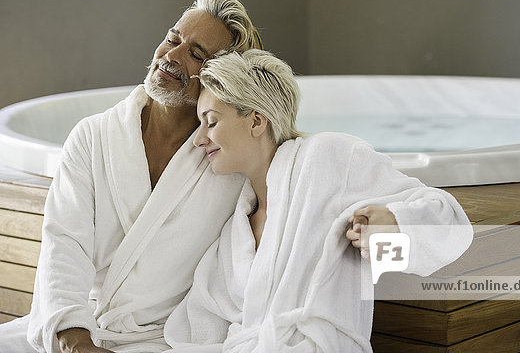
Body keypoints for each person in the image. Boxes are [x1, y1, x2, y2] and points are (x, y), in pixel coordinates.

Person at [0, 0, 263, 353]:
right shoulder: (93, 137)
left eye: (195, 55)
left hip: (161, 339)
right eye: (172, 39)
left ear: (220, 78)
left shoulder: (228, 164)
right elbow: (64, 245)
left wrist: (372, 222)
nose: (171, 56)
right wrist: (73, 339)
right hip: (75, 325)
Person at [162, 50, 473, 352]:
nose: (199, 138)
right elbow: (202, 326)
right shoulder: (235, 229)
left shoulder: (327, 159)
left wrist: (395, 225)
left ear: (257, 121)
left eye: (211, 122)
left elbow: (451, 223)